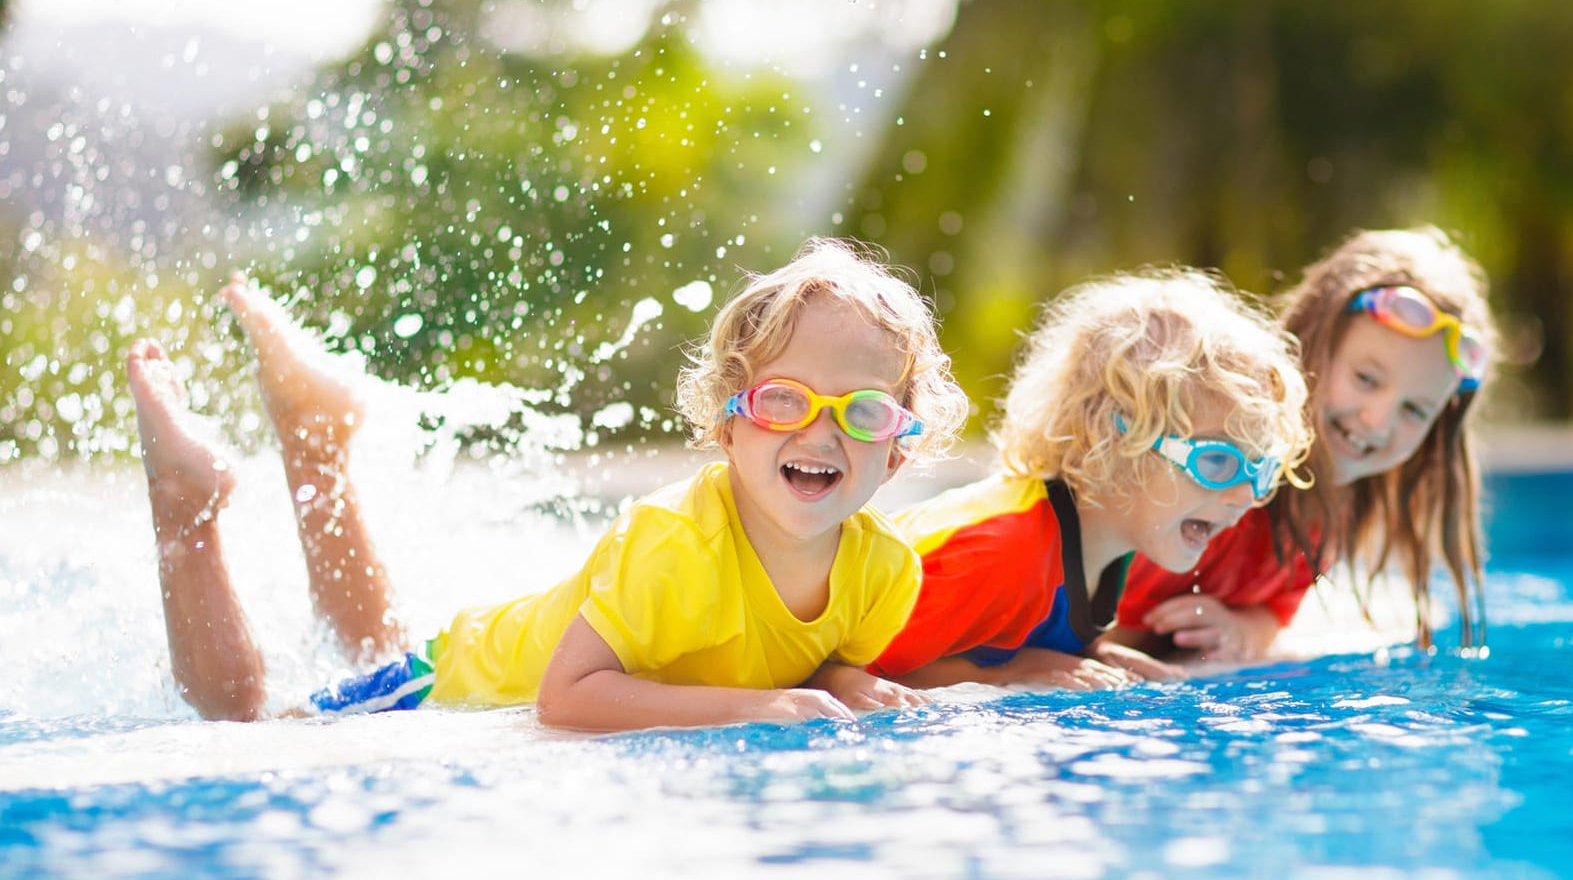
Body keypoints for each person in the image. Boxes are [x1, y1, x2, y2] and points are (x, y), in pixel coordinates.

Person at [129, 238, 970, 731]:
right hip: (461, 678)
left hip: (491, 662)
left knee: (366, 641)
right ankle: (188, 510)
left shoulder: (884, 573)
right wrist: (756, 709)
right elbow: (565, 701)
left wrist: (839, 682)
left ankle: (318, 441)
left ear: (899, 446)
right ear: (728, 423)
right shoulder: (675, 543)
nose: (820, 431)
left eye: (861, 412)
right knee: (253, 728)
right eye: (785, 400)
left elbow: (804, 664)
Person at [866, 268, 1314, 690]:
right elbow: (856, 673)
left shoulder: (1105, 547)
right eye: (1217, 462)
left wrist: (1099, 654)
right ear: (1114, 441)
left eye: (1262, 471)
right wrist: (1020, 670)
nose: (1248, 496)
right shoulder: (1004, 551)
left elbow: (1024, 631)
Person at [1104, 226, 1499, 664]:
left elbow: (1275, 611)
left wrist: (1241, 630)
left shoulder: (1332, 506)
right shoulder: (1211, 463)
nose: (1378, 421)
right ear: (1306, 343)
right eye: (1365, 379)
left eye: (1414, 411)